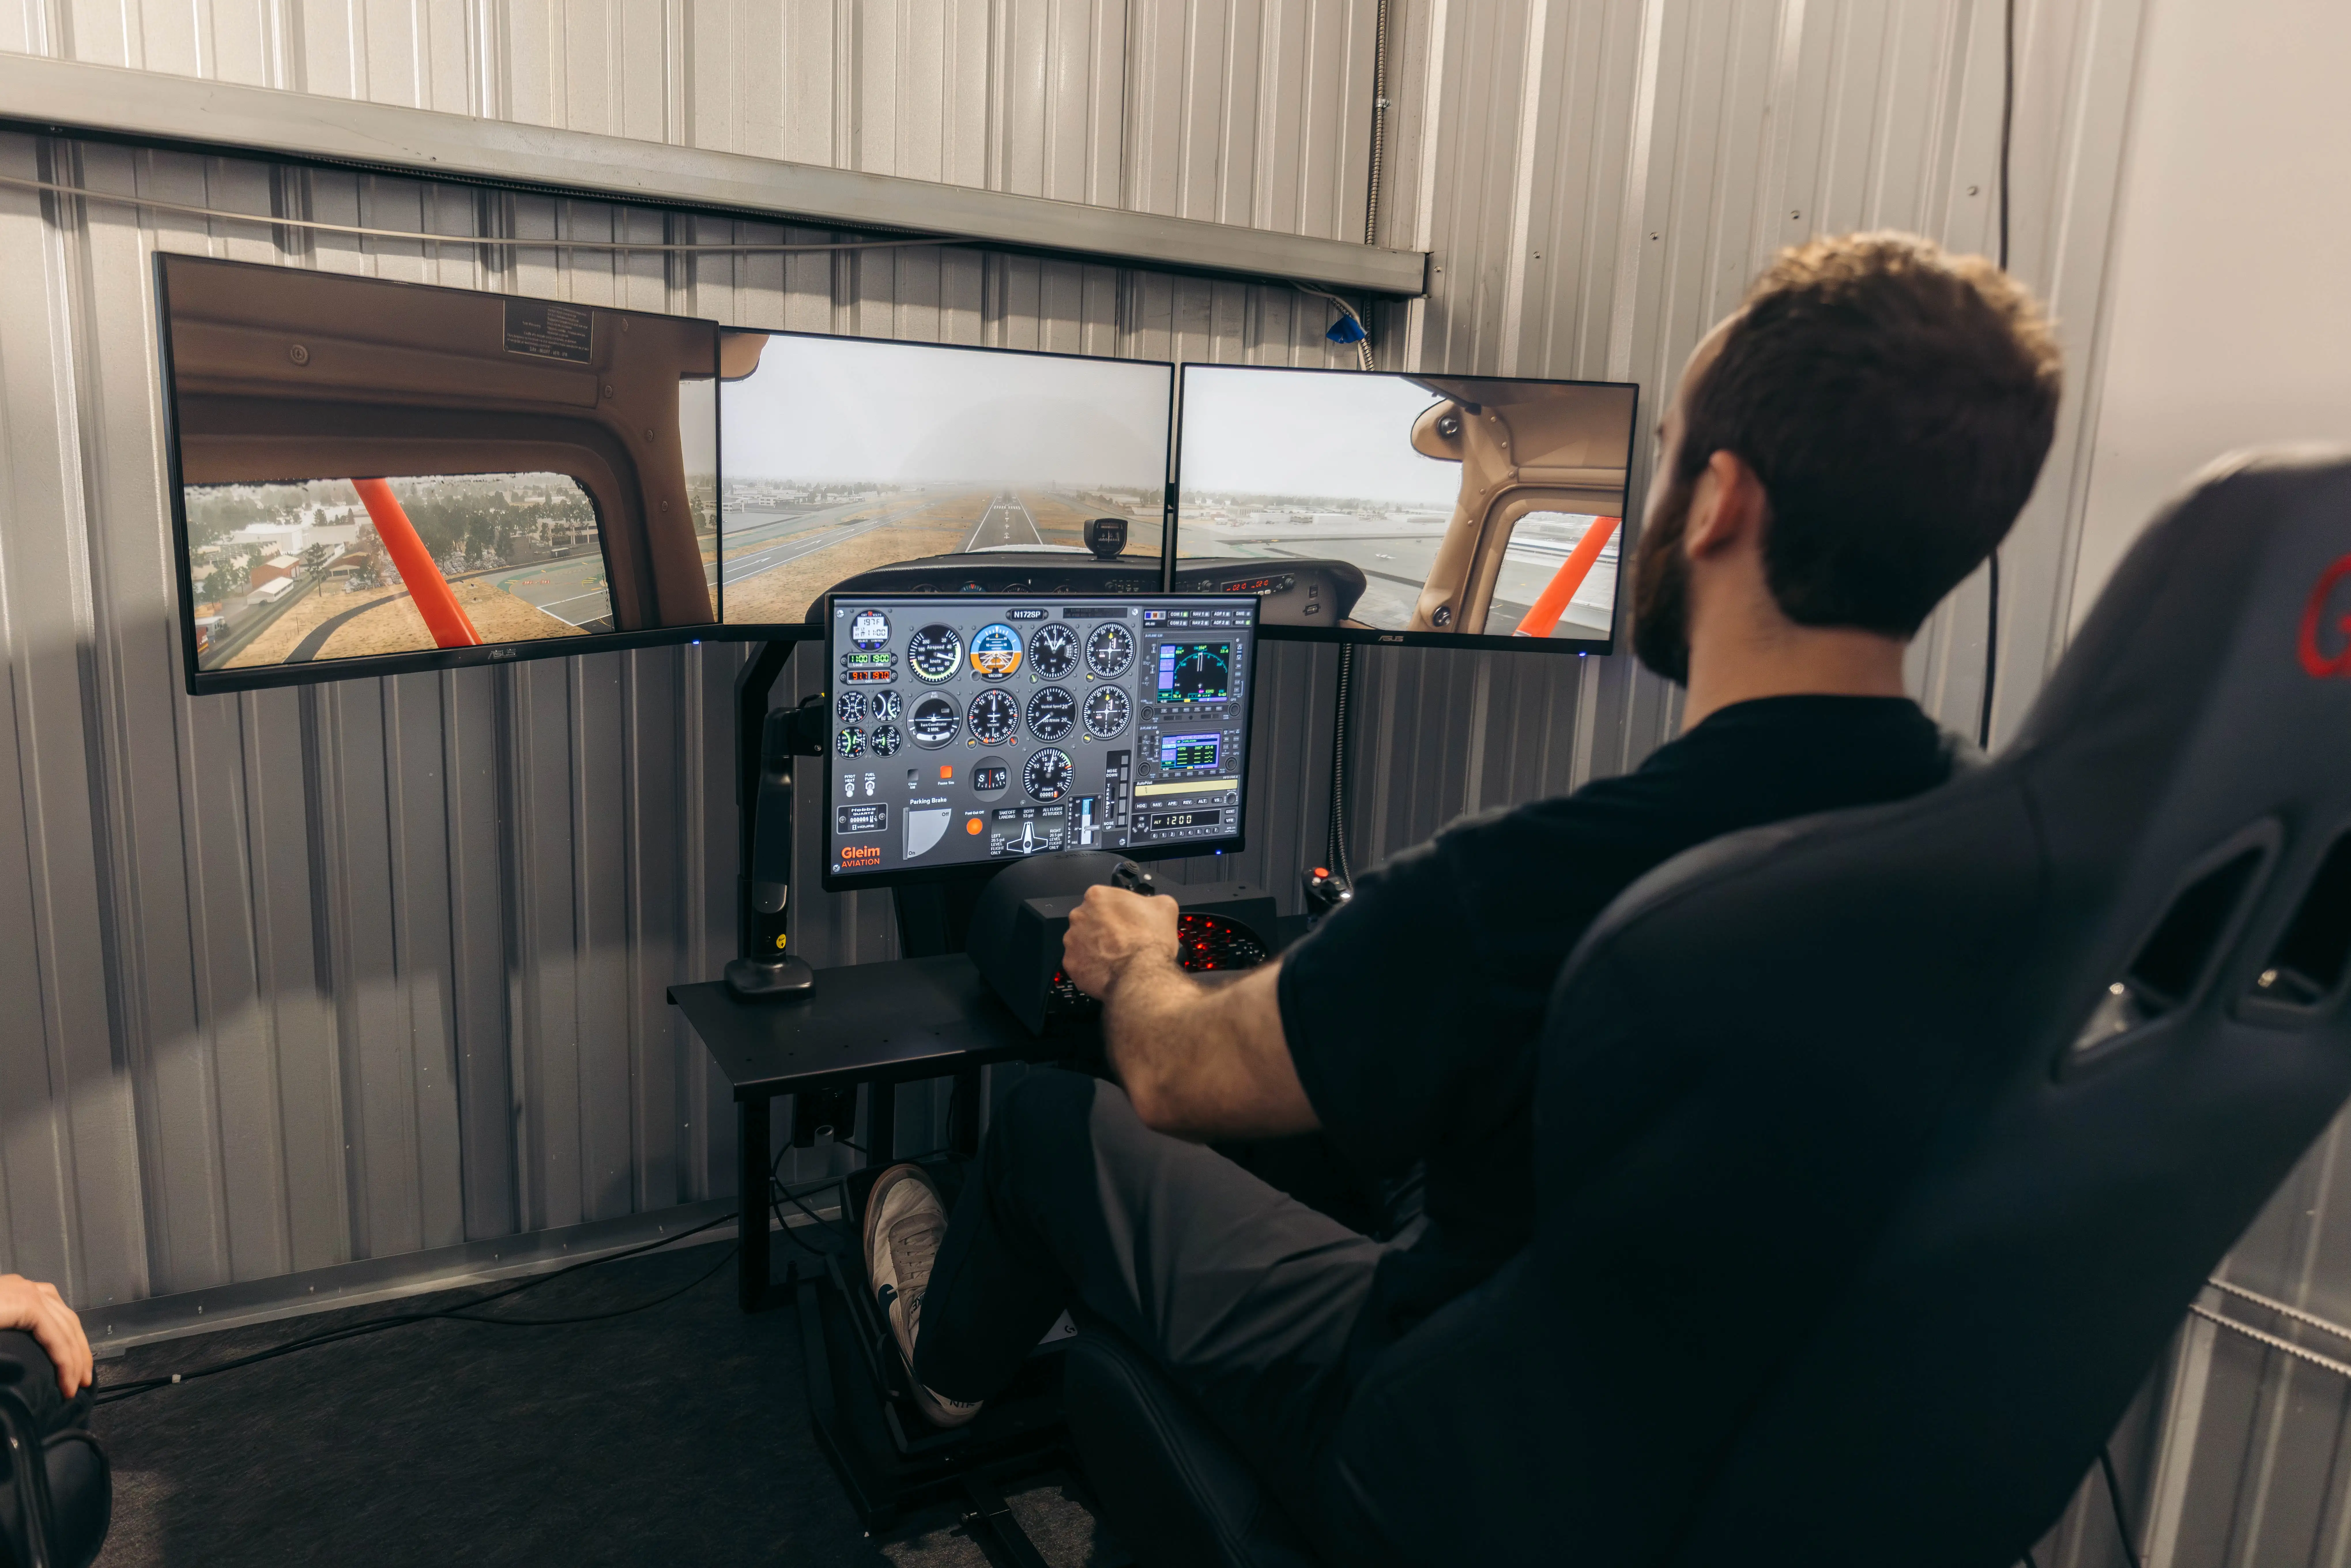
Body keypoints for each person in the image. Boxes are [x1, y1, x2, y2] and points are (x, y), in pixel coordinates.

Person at [860, 233, 2064, 1537]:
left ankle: (940, 1383)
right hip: (1719, 1452)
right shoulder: (2007, 859)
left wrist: (1139, 952)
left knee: (1048, 1118)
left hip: (1431, 1436)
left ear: (1718, 501)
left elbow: (1175, 1077)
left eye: (1661, 461)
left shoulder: (1539, 877)